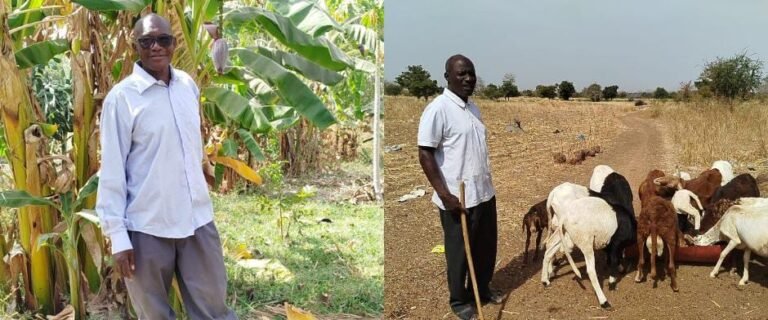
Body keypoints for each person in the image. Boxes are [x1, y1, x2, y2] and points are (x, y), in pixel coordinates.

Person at [96, 13, 237, 320]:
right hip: (147, 227)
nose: (156, 47)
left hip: (197, 221)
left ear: (173, 44)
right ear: (136, 46)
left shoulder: (187, 85)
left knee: (214, 312)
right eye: (147, 41)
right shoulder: (122, 100)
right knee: (155, 316)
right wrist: (118, 237)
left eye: (163, 40)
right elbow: (112, 172)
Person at [417, 54, 501, 320]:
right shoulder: (438, 109)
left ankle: (483, 289)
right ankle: (459, 301)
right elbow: (425, 153)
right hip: (457, 197)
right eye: (462, 74)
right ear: (447, 77)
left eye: (471, 74)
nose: (468, 79)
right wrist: (445, 195)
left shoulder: (473, 108)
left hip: (483, 192)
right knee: (459, 253)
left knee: (486, 248)